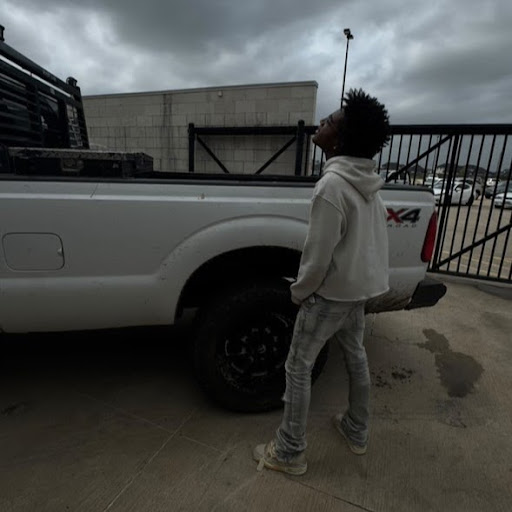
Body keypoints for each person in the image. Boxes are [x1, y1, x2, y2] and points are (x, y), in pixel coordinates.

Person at [253, 88, 391, 476]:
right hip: (356, 293)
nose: (321, 123)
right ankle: (356, 430)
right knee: (356, 356)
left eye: (328, 121)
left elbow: (317, 257)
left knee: (298, 366)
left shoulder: (332, 186)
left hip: (328, 296)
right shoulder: (368, 185)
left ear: (339, 140)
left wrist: (300, 293)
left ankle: (289, 451)